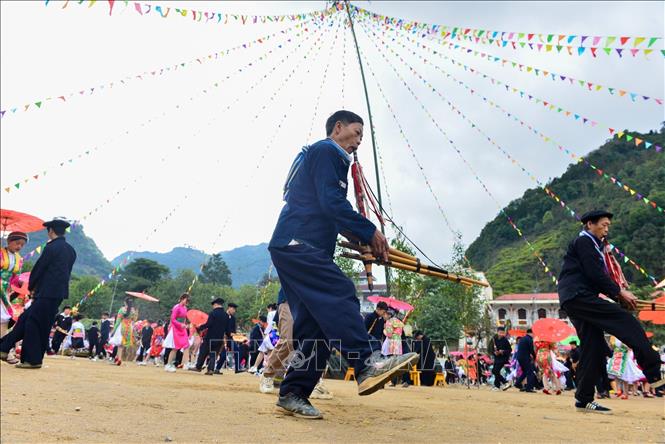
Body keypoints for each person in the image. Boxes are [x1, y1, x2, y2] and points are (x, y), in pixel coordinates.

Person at [268, 110, 418, 418]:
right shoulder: (328, 151)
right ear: (338, 128)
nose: (359, 141)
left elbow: (327, 207)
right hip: (299, 243)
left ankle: (293, 392)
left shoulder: (319, 155)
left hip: (292, 244)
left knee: (315, 328)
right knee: (340, 292)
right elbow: (332, 203)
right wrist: (368, 230)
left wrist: (364, 240)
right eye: (357, 132)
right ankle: (365, 363)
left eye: (362, 136)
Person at [557, 210, 663, 414]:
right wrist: (618, 293)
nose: (606, 229)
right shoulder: (584, 242)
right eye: (603, 225)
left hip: (577, 298)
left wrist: (618, 294)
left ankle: (584, 399)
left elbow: (597, 276)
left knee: (594, 347)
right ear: (589, 224)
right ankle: (654, 373)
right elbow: (595, 274)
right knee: (625, 321)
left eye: (608, 226)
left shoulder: (594, 246)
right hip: (579, 296)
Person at [0, 219, 77, 368]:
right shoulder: (71, 250)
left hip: (46, 292)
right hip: (58, 294)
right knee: (26, 318)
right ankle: (3, 348)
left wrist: (32, 286)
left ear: (51, 231)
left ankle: (32, 360)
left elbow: (39, 268)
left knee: (34, 323)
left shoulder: (51, 247)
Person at [259, 289, 333, 399]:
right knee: (287, 341)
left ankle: (315, 383)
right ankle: (267, 374)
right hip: (289, 299)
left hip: (311, 301)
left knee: (313, 342)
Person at [1, 231, 28, 342]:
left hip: (6, 290)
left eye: (22, 244)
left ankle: (2, 344)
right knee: (5, 315)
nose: (19, 246)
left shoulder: (19, 259)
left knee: (5, 318)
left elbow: (15, 278)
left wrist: (19, 285)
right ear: (8, 241)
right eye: (17, 243)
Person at [190, 298, 228, 375]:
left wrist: (200, 327)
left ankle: (198, 367)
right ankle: (210, 369)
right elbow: (226, 327)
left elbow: (209, 324)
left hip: (210, 336)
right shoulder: (226, 315)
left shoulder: (213, 313)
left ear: (216, 304)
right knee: (213, 354)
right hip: (219, 338)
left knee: (203, 351)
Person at [163, 293, 190, 373]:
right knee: (175, 348)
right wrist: (180, 324)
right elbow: (173, 319)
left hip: (182, 329)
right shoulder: (176, 307)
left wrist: (185, 325)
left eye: (188, 300)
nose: (187, 302)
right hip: (176, 329)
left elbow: (184, 319)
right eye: (186, 300)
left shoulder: (185, 308)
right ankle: (168, 365)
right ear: (182, 298)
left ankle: (186, 363)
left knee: (186, 345)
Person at [108, 297, 138, 365]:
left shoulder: (122, 309)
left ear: (125, 302)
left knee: (119, 344)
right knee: (122, 344)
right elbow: (134, 320)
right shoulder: (133, 311)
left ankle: (119, 359)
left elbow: (118, 321)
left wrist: (113, 331)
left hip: (122, 326)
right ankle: (117, 358)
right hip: (129, 327)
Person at [251, 303, 278, 374]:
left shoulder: (271, 313)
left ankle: (255, 367)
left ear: (270, 308)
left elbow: (269, 325)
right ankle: (266, 368)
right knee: (270, 352)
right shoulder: (279, 312)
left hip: (271, 334)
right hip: (277, 335)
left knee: (262, 351)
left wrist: (266, 333)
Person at [489, 326, 512, 391]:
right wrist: (495, 352)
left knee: (496, 371)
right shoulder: (494, 339)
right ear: (497, 332)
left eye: (502, 333)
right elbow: (491, 349)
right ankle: (504, 383)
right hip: (497, 358)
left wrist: (503, 351)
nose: (501, 334)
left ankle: (498, 385)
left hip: (503, 359)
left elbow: (509, 350)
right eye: (500, 332)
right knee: (494, 371)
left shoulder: (505, 340)